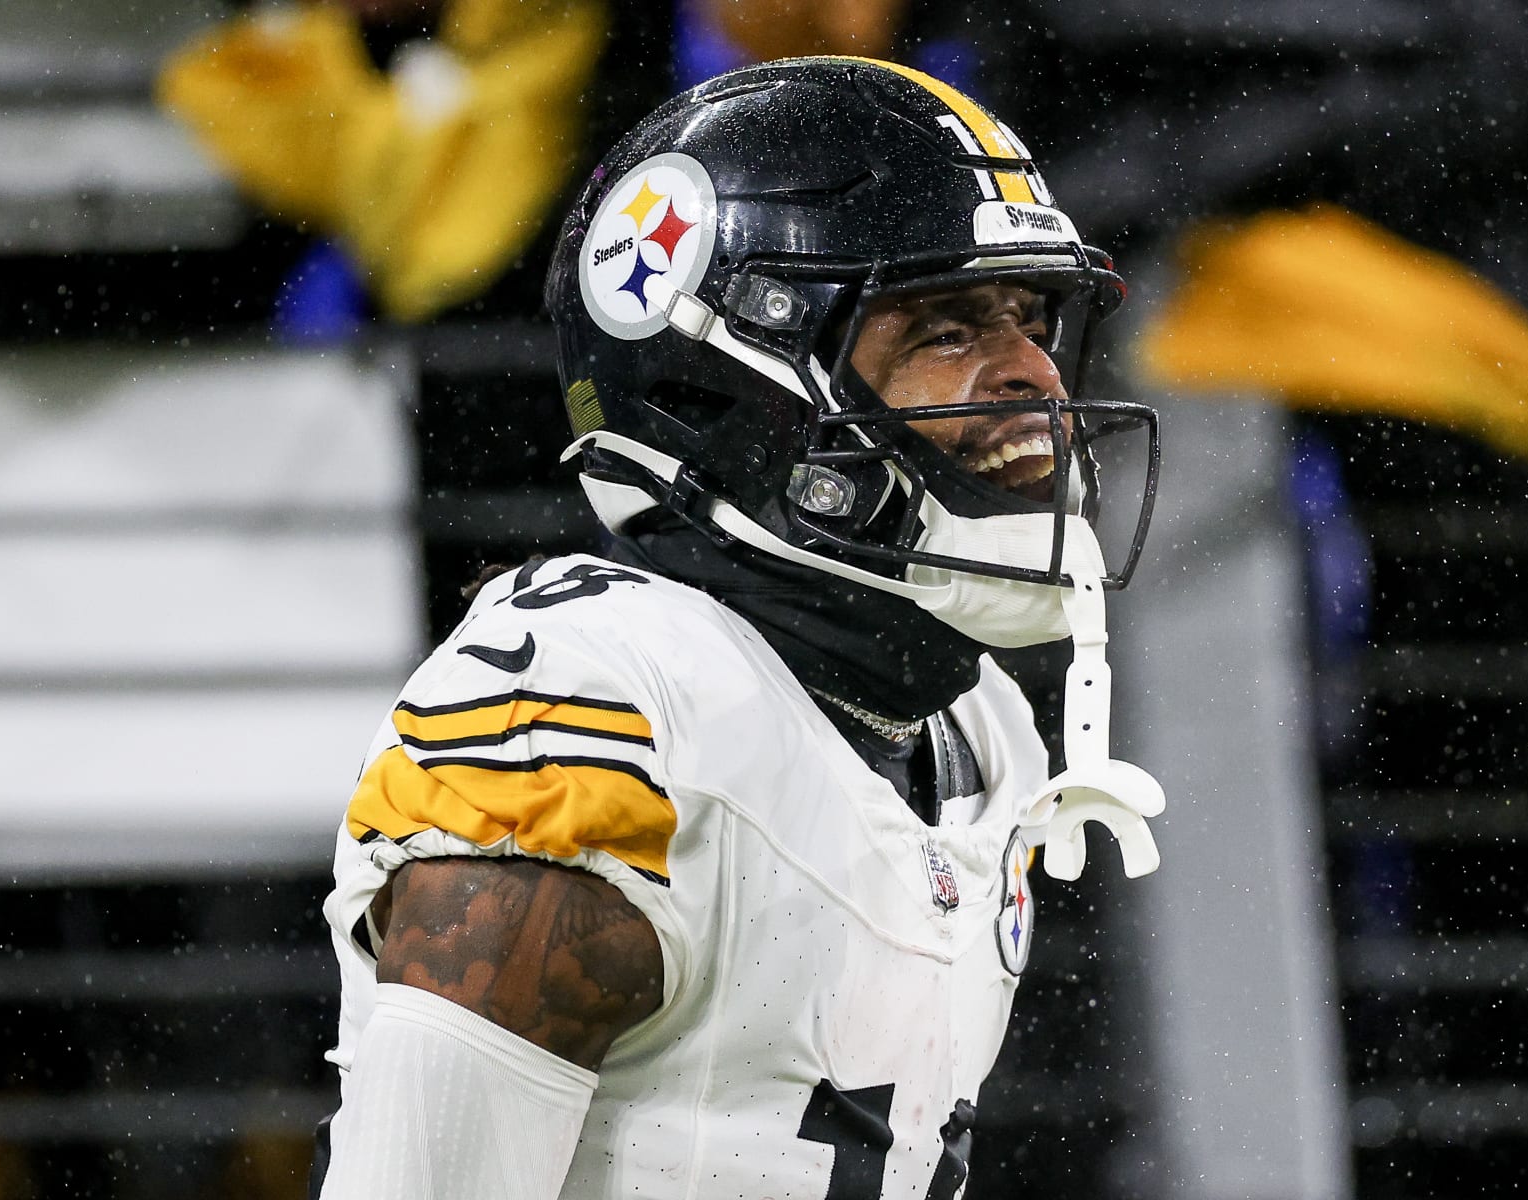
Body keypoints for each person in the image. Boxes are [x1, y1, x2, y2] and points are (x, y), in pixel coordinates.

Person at [310, 56, 1165, 1200]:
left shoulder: (972, 722)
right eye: (946, 330)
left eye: (1029, 319)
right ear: (732, 389)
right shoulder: (591, 713)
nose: (1033, 380)